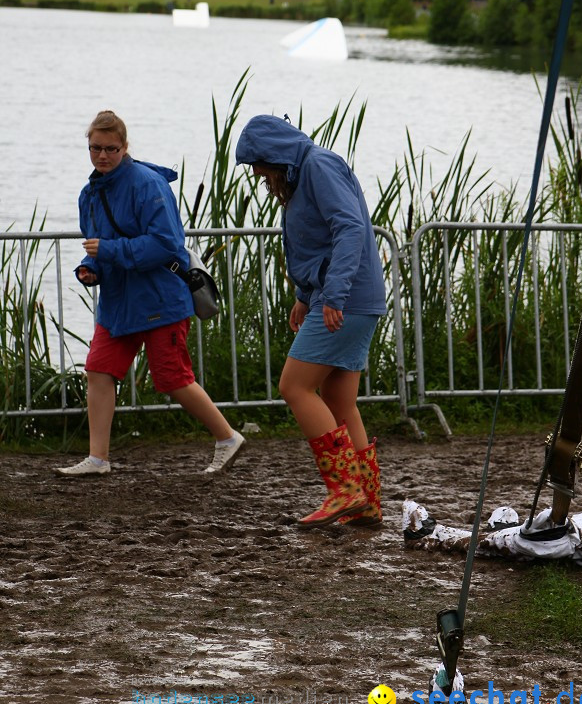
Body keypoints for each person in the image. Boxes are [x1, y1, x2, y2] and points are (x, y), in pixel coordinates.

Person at [55, 110, 245, 477]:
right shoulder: (89, 193)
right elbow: (99, 245)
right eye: (95, 148)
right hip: (118, 303)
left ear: (125, 147)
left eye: (111, 148)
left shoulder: (148, 184)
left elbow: (167, 244)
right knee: (98, 370)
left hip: (161, 299)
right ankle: (98, 459)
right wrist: (90, 267)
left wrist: (107, 254)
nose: (102, 156)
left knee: (173, 378)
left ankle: (227, 438)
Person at [235, 114, 387, 528]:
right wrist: (305, 297)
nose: (258, 173)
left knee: (294, 385)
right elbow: (315, 240)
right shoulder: (304, 174)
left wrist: (333, 295)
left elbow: (350, 228)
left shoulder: (318, 165)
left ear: (275, 154)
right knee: (339, 401)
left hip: (347, 298)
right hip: (354, 298)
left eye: (258, 164)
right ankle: (367, 500)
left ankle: (345, 491)